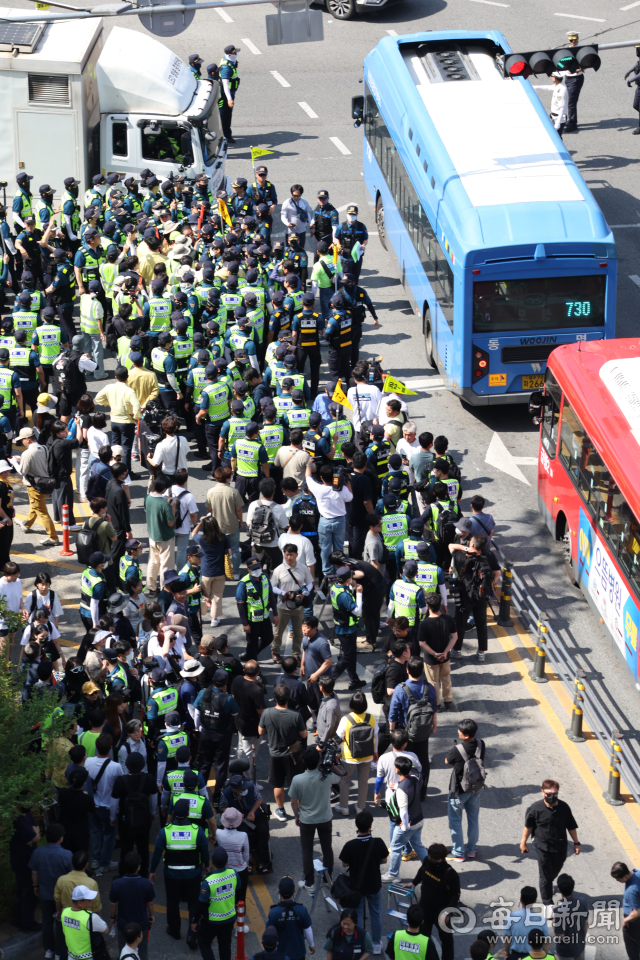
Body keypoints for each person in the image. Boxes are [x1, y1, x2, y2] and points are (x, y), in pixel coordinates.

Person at [149, 796, 209, 945]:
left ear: (174, 813)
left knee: (173, 902)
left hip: (172, 875)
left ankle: (175, 931)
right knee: (193, 903)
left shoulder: (165, 832)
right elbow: (205, 851)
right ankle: (192, 934)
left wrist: (152, 870)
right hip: (193, 874)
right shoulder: (197, 831)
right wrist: (207, 865)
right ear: (188, 814)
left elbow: (157, 854)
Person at [289, 746, 341, 891]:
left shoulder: (297, 779)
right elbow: (340, 776)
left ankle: (309, 881)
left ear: (303, 761)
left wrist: (296, 816)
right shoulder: (325, 776)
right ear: (319, 761)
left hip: (307, 820)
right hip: (325, 818)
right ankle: (327, 877)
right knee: (327, 848)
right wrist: (333, 766)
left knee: (307, 851)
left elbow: (293, 801)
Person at [521, 779, 580, 905]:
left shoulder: (564, 807)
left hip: (560, 847)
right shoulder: (535, 809)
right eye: (549, 794)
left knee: (554, 870)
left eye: (555, 794)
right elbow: (528, 827)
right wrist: (523, 842)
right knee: (545, 876)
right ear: (542, 792)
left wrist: (576, 843)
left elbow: (571, 826)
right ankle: (548, 903)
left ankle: (548, 883)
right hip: (542, 847)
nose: (552, 797)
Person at [339, 810, 389, 953]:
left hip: (357, 887)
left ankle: (359, 944)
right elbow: (384, 859)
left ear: (357, 825)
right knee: (375, 914)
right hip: (374, 885)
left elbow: (344, 864)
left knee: (358, 915)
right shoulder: (378, 842)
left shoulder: (350, 845)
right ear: (370, 825)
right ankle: (376, 944)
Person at [258, 682, 308, 821]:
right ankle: (300, 811)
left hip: (275, 754)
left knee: (278, 784)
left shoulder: (267, 713)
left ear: (275, 698)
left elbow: (261, 731)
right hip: (293, 754)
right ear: (288, 698)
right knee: (296, 784)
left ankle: (281, 811)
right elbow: (304, 735)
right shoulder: (295, 715)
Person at [402, 845, 460, 960]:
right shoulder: (427, 861)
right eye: (431, 858)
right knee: (423, 939)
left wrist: (448, 912)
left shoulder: (450, 873)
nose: (432, 861)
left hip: (441, 913)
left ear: (443, 858)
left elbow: (456, 894)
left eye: (436, 859)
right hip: (425, 909)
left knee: (447, 942)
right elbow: (421, 871)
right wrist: (414, 883)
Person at [449, 534, 500, 662]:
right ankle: (481, 653)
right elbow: (497, 572)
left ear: (471, 545)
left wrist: (466, 549)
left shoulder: (463, 556)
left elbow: (451, 546)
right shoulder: (488, 556)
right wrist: (489, 584)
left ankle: (457, 650)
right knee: (481, 623)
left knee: (460, 623)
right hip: (482, 596)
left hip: (465, 595)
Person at [194, 669, 239, 804]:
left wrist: (197, 728)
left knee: (204, 763)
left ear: (213, 680)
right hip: (222, 735)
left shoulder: (203, 693)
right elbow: (235, 715)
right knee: (221, 765)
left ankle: (199, 791)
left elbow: (196, 712)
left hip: (205, 733)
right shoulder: (229, 699)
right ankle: (217, 795)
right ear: (226, 683)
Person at [29, 823, 74, 960]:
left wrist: (35, 886)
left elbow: (34, 872)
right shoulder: (66, 854)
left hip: (45, 893)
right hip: (62, 896)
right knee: (61, 922)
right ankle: (60, 952)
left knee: (47, 921)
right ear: (61, 838)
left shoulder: (37, 852)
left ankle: (49, 949)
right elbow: (72, 875)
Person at [445, 718, 486, 862]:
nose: (458, 732)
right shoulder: (481, 744)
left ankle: (458, 852)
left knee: (455, 821)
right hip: (476, 787)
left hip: (459, 790)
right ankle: (472, 850)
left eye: (460, 731)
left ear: (466, 735)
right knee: (473, 819)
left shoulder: (458, 749)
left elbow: (447, 761)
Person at [382, 756, 427, 881]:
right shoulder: (415, 778)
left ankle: (393, 874)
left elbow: (403, 810)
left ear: (397, 770)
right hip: (419, 819)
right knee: (418, 846)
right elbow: (411, 786)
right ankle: (430, 869)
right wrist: (397, 786)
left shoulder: (402, 790)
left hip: (409, 823)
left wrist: (405, 826)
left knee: (395, 847)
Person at [112, 752, 156, 878]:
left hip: (126, 821)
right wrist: (152, 813)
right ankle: (143, 872)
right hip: (144, 819)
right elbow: (154, 799)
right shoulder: (149, 779)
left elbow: (114, 802)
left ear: (127, 765)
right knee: (143, 847)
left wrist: (113, 817)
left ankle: (124, 872)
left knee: (126, 847)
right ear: (142, 765)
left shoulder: (121, 781)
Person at [85, 732, 122, 876]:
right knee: (108, 836)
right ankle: (105, 863)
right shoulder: (116, 767)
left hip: (93, 805)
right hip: (108, 807)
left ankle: (94, 859)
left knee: (95, 833)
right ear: (110, 748)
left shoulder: (88, 762)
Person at [192, 845, 237, 960]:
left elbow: (202, 905)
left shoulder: (208, 882)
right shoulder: (234, 874)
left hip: (212, 921)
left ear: (212, 862)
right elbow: (239, 889)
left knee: (204, 942)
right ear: (227, 861)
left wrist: (195, 920)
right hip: (229, 918)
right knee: (225, 946)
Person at [336, 691, 377, 816]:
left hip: (349, 756)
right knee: (364, 781)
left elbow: (339, 738)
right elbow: (376, 736)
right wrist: (375, 752)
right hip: (367, 755)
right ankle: (360, 807)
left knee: (345, 780)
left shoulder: (346, 719)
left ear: (351, 705)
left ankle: (344, 807)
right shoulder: (371, 718)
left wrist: (337, 755)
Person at [108, 851, 155, 960]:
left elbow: (112, 904)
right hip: (141, 924)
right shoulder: (146, 883)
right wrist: (151, 916)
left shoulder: (117, 883)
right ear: (138, 867)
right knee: (142, 950)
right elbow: (150, 903)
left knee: (123, 950)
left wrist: (113, 917)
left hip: (123, 925)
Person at [271, 544, 313, 662]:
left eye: (291, 554)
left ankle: (296, 654)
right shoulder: (278, 570)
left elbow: (310, 582)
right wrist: (284, 593)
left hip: (298, 607)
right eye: (287, 554)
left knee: (299, 632)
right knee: (278, 632)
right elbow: (272, 587)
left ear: (297, 555)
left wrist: (305, 592)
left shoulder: (303, 568)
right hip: (282, 606)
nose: (289, 557)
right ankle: (275, 651)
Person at [418, 594, 457, 710]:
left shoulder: (424, 623)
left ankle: (437, 703)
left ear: (427, 605)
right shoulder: (448, 619)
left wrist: (435, 654)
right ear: (440, 604)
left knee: (433, 681)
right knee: (446, 678)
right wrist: (445, 652)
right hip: (446, 657)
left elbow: (422, 643)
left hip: (430, 659)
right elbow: (454, 637)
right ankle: (448, 700)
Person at [192, 514, 230, 627]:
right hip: (220, 571)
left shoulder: (202, 539)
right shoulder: (223, 537)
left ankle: (199, 616)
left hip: (206, 572)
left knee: (204, 595)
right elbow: (230, 553)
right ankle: (214, 618)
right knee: (217, 595)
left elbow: (193, 533)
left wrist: (200, 523)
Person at [330, 565, 364, 690]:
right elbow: (357, 611)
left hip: (342, 627)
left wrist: (352, 586)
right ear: (347, 579)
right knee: (348, 656)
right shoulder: (344, 595)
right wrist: (359, 593)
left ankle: (354, 680)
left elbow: (346, 591)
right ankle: (330, 678)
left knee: (351, 655)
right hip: (347, 630)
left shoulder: (336, 587)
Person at [206, 465, 243, 577]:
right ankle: (235, 572)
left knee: (218, 550)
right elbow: (239, 509)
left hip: (217, 527)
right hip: (232, 525)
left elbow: (209, 509)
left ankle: (221, 571)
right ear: (228, 479)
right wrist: (240, 522)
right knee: (235, 550)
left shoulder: (211, 492)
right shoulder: (234, 492)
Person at [267, 876, 314, 960]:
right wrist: (311, 945)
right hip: (299, 953)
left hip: (281, 954)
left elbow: (270, 934)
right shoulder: (302, 910)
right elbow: (308, 930)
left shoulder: (273, 912)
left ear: (279, 892)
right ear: (294, 891)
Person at [145, 477, 178, 595]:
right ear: (164, 488)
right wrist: (173, 508)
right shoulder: (164, 504)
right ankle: (165, 589)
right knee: (166, 565)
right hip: (165, 537)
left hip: (152, 535)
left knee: (153, 562)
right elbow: (170, 523)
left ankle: (151, 587)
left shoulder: (148, 498)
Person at [60, 884, 108, 960]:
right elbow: (106, 930)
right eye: (89, 900)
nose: (91, 901)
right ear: (80, 903)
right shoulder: (91, 917)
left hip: (71, 956)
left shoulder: (64, 912)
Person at [503, 886, 549, 960]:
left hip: (516, 955)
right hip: (535, 956)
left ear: (521, 899)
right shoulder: (541, 920)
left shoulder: (511, 917)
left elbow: (506, 939)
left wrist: (507, 953)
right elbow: (546, 942)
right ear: (535, 900)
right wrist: (546, 956)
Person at [217, 807, 250, 903]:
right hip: (240, 870)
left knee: (225, 897)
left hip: (224, 870)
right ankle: (240, 916)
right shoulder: (243, 835)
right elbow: (246, 854)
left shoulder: (218, 833)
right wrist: (245, 863)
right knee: (241, 898)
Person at [612, 861, 640, 960]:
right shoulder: (637, 873)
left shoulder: (631, 891)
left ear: (624, 877)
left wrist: (626, 920)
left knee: (632, 948)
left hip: (634, 921)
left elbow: (636, 913)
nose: (616, 880)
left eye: (618, 879)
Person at [562, 30, 583, 133]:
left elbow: (585, 65)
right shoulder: (568, 49)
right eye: (570, 40)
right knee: (567, 99)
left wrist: (575, 70)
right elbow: (562, 63)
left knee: (571, 102)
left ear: (577, 39)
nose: (572, 42)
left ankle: (572, 123)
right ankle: (569, 119)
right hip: (568, 77)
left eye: (574, 40)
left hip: (576, 78)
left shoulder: (581, 50)